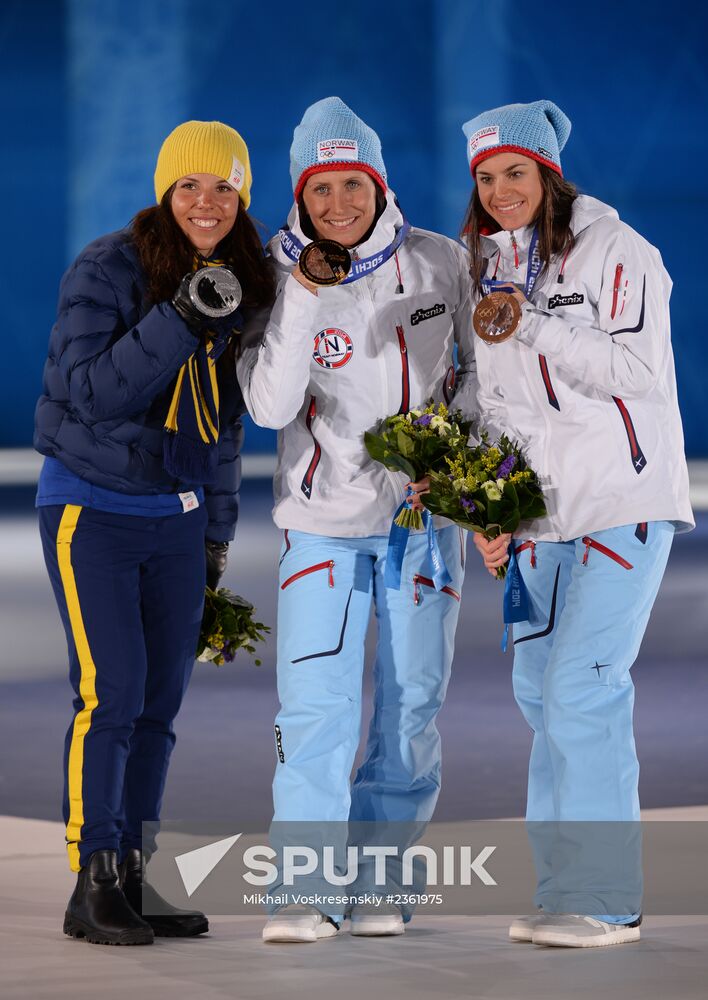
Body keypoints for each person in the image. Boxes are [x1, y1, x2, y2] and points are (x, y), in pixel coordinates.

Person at [237, 96, 476, 943]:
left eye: (354, 185)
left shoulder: (443, 262)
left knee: (410, 711)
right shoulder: (269, 274)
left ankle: (382, 884)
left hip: (422, 527)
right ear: (299, 197)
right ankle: (304, 891)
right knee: (314, 710)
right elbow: (267, 407)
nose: (339, 205)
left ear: (379, 184)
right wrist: (304, 291)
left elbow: (479, 379)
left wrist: (451, 469)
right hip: (322, 524)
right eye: (320, 190)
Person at [460, 100, 694, 948]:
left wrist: (539, 325)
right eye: (486, 177)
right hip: (540, 522)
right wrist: (492, 512)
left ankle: (608, 900)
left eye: (515, 172)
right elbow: (494, 407)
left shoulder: (617, 252)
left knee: (582, 691)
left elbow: (637, 369)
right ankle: (564, 892)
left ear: (549, 175)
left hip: (621, 503)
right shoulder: (484, 267)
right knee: (540, 697)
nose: (499, 190)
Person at [34, 120, 274, 945]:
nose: (206, 203)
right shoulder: (108, 266)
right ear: (165, 192)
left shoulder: (247, 280)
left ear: (241, 197)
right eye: (189, 187)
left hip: (175, 519)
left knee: (161, 707)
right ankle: (91, 878)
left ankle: (133, 871)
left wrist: (215, 535)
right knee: (112, 697)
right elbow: (92, 393)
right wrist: (178, 318)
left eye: (223, 188)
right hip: (91, 510)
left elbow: (226, 427)